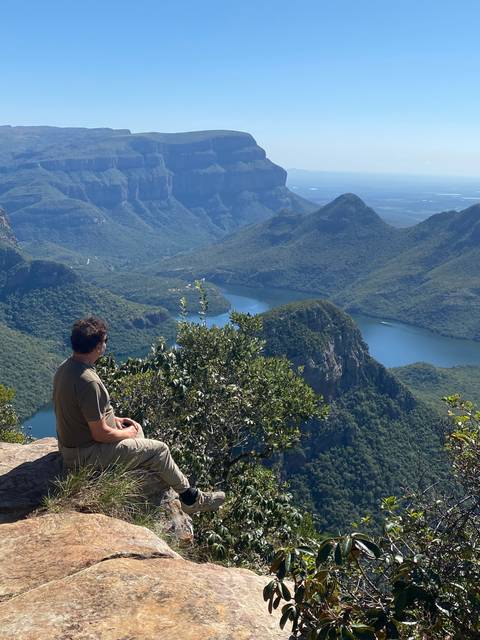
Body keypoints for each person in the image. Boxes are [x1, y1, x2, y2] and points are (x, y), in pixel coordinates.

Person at [53, 316, 225, 515]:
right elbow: (100, 434)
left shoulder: (66, 367)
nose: (106, 345)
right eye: (105, 341)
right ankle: (191, 498)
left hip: (74, 445)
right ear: (98, 346)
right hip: (85, 455)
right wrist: (128, 434)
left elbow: (79, 411)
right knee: (160, 449)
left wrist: (115, 421)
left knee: (139, 435)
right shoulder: (88, 381)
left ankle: (145, 480)